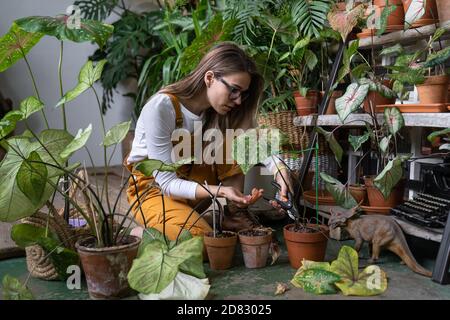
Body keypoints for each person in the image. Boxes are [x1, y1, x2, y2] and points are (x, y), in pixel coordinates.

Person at [126, 42, 292, 240]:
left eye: (243, 94)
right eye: (234, 90)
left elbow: (255, 144)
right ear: (210, 77)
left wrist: (280, 172)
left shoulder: (220, 112)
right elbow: (167, 183)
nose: (238, 100)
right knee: (200, 243)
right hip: (154, 193)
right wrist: (222, 191)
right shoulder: (162, 108)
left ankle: (234, 217)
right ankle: (138, 237)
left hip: (191, 189)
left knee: (233, 139)